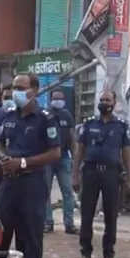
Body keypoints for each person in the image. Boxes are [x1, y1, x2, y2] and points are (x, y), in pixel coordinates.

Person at [0, 74, 60, 258]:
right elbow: (0, 142)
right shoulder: (9, 116)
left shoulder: (45, 120)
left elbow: (55, 153)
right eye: (14, 87)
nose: (16, 92)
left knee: (31, 238)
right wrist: (3, 157)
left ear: (35, 90)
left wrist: (22, 163)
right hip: (8, 183)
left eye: (21, 88)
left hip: (32, 183)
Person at [73, 90, 130, 258]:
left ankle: (109, 253)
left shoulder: (121, 126)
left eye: (107, 100)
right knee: (87, 213)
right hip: (90, 172)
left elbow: (127, 152)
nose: (103, 102)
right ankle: (85, 252)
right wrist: (74, 175)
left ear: (114, 103)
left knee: (111, 214)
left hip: (111, 174)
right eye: (101, 99)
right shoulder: (89, 124)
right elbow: (79, 151)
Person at [44, 90, 78, 234]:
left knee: (67, 191)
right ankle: (47, 222)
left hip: (63, 157)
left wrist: (75, 158)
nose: (58, 100)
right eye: (55, 98)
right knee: (45, 191)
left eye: (60, 98)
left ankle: (69, 223)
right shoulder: (45, 115)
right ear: (50, 99)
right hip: (47, 158)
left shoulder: (67, 116)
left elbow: (71, 138)